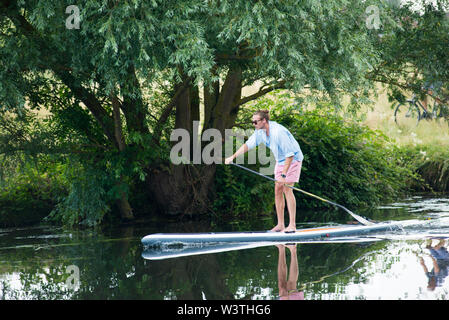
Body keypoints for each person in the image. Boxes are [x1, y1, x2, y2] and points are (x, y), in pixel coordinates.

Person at [224, 110, 304, 233]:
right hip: (280, 160)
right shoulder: (259, 132)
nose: (253, 124)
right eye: (252, 122)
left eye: (255, 121)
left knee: (287, 189)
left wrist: (283, 175)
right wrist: (232, 157)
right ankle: (281, 225)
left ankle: (292, 225)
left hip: (293, 159)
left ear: (264, 121)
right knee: (278, 189)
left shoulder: (278, 132)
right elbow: (248, 145)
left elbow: (290, 155)